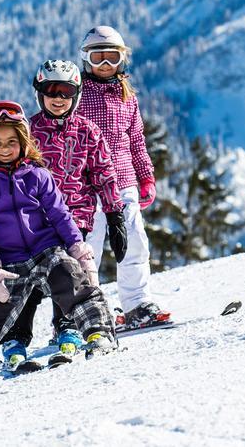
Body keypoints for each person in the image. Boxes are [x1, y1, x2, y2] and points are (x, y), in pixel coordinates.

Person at [0, 100, 117, 399]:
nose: (5, 148)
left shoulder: (38, 175)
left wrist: (77, 248)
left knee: (69, 276)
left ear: (23, 142)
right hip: (9, 258)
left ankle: (98, 332)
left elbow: (60, 214)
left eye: (12, 141)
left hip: (45, 246)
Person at [0, 60, 129, 367]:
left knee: (69, 274)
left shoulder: (87, 132)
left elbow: (103, 174)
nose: (59, 98)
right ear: (39, 92)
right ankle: (15, 338)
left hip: (75, 218)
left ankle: (68, 328)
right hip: (31, 222)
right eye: (51, 91)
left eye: (67, 92)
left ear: (77, 94)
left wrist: (114, 215)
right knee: (25, 280)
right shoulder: (27, 133)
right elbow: (6, 175)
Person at [77, 26, 170, 328]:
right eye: (98, 57)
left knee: (134, 242)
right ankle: (80, 312)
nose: (105, 64)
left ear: (122, 59)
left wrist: (145, 177)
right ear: (85, 59)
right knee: (86, 246)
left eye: (112, 57)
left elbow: (136, 139)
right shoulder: (76, 95)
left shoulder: (126, 95)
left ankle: (136, 304)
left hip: (123, 180)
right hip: (86, 185)